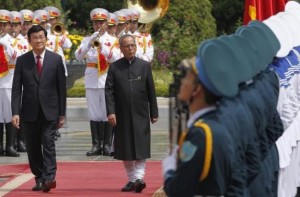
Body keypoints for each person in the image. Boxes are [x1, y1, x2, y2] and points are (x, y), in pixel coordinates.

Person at [162, 57, 236, 197]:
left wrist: (169, 164)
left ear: (196, 89)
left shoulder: (199, 134)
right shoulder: (220, 122)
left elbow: (179, 190)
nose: (181, 82)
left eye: (186, 78)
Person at [11, 25, 66, 192]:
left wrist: (62, 114)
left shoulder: (56, 59)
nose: (39, 40)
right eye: (35, 38)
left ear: (46, 38)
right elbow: (16, 89)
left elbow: (61, 89)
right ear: (29, 40)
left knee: (48, 142)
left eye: (41, 37)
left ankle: (50, 177)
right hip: (29, 111)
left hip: (50, 110)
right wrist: (15, 112)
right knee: (33, 146)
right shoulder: (22, 61)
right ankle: (40, 177)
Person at [105, 34, 158, 193]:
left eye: (132, 45)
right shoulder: (114, 67)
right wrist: (111, 111)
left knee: (141, 146)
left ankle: (139, 178)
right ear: (121, 48)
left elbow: (151, 90)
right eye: (126, 46)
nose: (130, 48)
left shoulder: (144, 66)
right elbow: (108, 91)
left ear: (136, 46)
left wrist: (153, 112)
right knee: (125, 148)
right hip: (121, 114)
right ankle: (132, 179)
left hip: (141, 113)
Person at [75, 8, 119, 156]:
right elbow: (78, 56)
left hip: (106, 77)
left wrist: (102, 47)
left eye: (101, 22)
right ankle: (96, 144)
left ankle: (107, 145)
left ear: (107, 23)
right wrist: (89, 43)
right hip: (92, 77)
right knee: (94, 112)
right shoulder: (87, 39)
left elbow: (115, 58)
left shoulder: (113, 41)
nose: (98, 25)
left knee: (107, 111)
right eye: (96, 23)